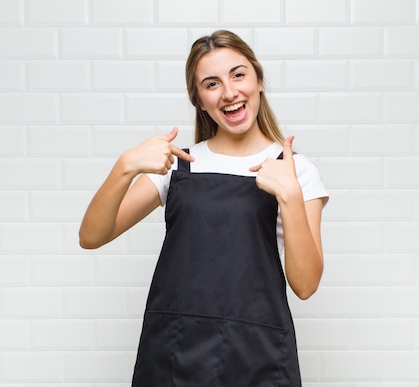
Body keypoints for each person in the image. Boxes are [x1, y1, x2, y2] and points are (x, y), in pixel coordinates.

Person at [79, 30, 329, 387]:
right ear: (198, 98)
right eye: (212, 84)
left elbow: (305, 285)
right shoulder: (181, 165)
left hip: (256, 357)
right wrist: (125, 166)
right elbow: (91, 236)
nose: (229, 92)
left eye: (238, 74)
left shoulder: (295, 170)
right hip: (173, 356)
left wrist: (289, 194)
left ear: (258, 79)